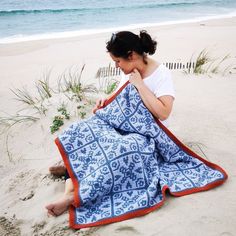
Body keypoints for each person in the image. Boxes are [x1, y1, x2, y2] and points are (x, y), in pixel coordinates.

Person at [45, 30, 175, 217]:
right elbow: (123, 99)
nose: (116, 66)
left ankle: (71, 195)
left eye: (117, 61)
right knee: (83, 130)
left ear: (131, 55)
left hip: (149, 135)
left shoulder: (161, 74)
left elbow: (164, 113)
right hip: (123, 125)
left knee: (119, 150)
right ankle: (71, 173)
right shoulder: (129, 70)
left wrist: (140, 84)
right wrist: (106, 101)